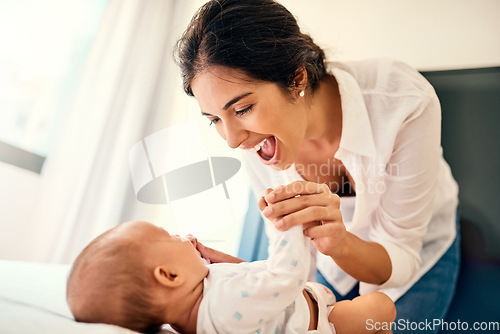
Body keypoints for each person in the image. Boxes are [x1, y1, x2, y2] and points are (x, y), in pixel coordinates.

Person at [174, 0, 460, 333]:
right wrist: (238, 277)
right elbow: (293, 271)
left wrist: (342, 244)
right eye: (215, 120)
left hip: (414, 246)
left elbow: (402, 253)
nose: (233, 140)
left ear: (297, 78)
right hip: (330, 252)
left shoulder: (403, 102)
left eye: (242, 109)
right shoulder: (259, 139)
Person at [66, 218, 396, 334]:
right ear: (169, 275)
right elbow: (284, 278)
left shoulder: (197, 310)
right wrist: (284, 226)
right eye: (170, 237)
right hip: (324, 322)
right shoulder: (222, 308)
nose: (184, 237)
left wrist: (213, 260)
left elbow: (250, 277)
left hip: (306, 306)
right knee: (382, 308)